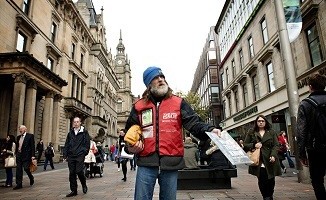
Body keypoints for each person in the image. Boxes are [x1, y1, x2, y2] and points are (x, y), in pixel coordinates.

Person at [124, 66, 221, 200]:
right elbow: (129, 132)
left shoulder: (178, 102)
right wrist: (130, 147)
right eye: (156, 78)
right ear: (148, 84)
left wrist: (210, 130)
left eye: (162, 77)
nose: (161, 80)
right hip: (146, 162)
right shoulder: (139, 106)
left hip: (171, 162)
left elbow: (193, 123)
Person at [297, 73, 326, 200]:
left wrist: (301, 153)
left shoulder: (305, 104)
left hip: (316, 148)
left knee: (317, 180)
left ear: (310, 87)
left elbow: (301, 131)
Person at [243, 115, 282, 200]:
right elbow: (245, 145)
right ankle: (266, 197)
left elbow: (276, 145)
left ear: (265, 122)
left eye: (262, 121)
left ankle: (270, 195)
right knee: (262, 179)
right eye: (259, 121)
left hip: (270, 159)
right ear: (256, 123)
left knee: (271, 180)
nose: (260, 123)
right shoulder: (251, 132)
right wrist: (254, 145)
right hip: (258, 159)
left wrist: (273, 155)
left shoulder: (271, 132)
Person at [63, 117, 90, 197]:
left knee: (79, 171)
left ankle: (84, 184)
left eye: (77, 122)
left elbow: (87, 143)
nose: (76, 123)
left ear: (80, 123)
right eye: (74, 122)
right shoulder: (70, 133)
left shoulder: (84, 132)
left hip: (80, 155)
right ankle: (73, 190)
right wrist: (65, 154)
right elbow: (67, 144)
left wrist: (84, 152)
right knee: (72, 173)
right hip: (71, 155)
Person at [13, 125, 36, 190]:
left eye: (21, 129)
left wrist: (33, 156)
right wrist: (16, 153)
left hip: (26, 155)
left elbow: (32, 146)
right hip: (19, 155)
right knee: (18, 170)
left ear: (25, 130)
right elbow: (17, 146)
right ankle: (19, 184)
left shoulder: (30, 136)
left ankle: (31, 177)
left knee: (26, 168)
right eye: (19, 130)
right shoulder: (18, 137)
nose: (20, 131)